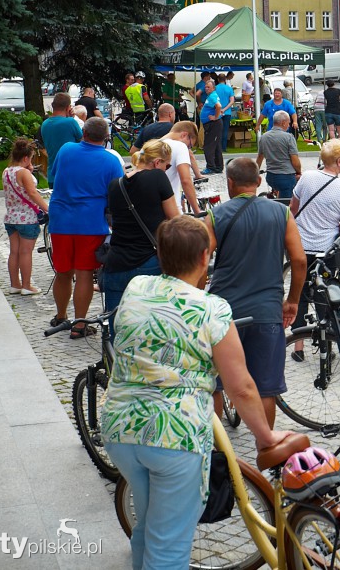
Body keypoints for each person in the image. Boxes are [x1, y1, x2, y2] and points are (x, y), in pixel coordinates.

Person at [100, 215, 294, 569]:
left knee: (148, 525)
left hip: (120, 428)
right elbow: (242, 387)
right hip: (174, 437)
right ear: (206, 257)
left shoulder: (137, 287)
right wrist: (265, 436)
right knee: (169, 548)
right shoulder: (212, 309)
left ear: (159, 254)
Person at [206, 157, 305, 427]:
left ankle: (217, 455)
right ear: (259, 181)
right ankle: (267, 453)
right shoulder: (281, 213)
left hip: (222, 313)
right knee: (264, 388)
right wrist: (293, 300)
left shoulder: (216, 215)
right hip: (266, 310)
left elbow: (199, 260)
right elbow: (298, 261)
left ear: (229, 182)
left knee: (214, 383)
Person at [48, 117, 124, 339]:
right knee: (84, 274)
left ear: (83, 132)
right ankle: (79, 324)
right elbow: (116, 195)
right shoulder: (111, 162)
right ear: (106, 138)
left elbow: (54, 174)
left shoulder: (66, 150)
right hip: (90, 223)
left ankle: (61, 316)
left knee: (62, 272)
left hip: (61, 220)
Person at [101, 140, 179, 339]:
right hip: (148, 261)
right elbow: (175, 219)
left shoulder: (115, 185)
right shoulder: (157, 178)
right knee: (152, 330)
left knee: (117, 329)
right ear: (157, 162)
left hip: (116, 262)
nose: (166, 170)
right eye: (167, 165)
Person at [290, 140, 340, 357]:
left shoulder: (307, 177)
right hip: (324, 249)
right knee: (324, 292)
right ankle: (326, 345)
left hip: (300, 246)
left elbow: (293, 208)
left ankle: (298, 344)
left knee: (298, 292)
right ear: (338, 162)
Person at [2, 138, 49, 296]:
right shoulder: (24, 173)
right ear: (25, 158)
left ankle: (15, 284)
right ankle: (27, 286)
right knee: (25, 252)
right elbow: (32, 193)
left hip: (11, 217)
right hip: (27, 219)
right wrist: (47, 209)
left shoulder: (7, 171)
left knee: (14, 251)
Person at [40, 92, 83, 186]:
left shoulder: (45, 124)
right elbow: (83, 140)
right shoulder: (71, 122)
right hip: (71, 174)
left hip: (52, 174)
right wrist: (72, 118)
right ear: (68, 107)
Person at [255, 112, 301, 200]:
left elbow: (260, 157)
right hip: (286, 177)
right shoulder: (289, 137)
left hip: (270, 176)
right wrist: (299, 172)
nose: (289, 125)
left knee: (279, 198)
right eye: (288, 122)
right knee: (286, 204)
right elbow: (295, 161)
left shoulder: (264, 137)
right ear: (283, 123)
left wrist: (255, 173)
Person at [161, 121, 203, 212]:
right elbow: (186, 180)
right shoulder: (180, 146)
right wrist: (197, 210)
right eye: (189, 145)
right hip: (170, 208)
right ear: (184, 135)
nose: (188, 149)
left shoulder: (148, 147)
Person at [199, 81, 225, 174]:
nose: (206, 88)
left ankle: (210, 167)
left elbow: (218, 106)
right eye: (205, 87)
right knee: (216, 145)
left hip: (213, 124)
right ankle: (218, 167)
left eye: (208, 87)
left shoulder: (213, 96)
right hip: (213, 124)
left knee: (208, 146)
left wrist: (215, 117)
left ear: (213, 88)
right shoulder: (211, 96)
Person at [215, 74, 237, 154]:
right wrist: (224, 109)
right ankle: (224, 147)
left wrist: (220, 109)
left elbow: (213, 100)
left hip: (217, 112)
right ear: (225, 80)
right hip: (227, 112)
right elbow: (232, 101)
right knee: (225, 130)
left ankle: (217, 147)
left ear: (218, 79)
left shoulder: (215, 88)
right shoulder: (229, 88)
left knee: (217, 130)